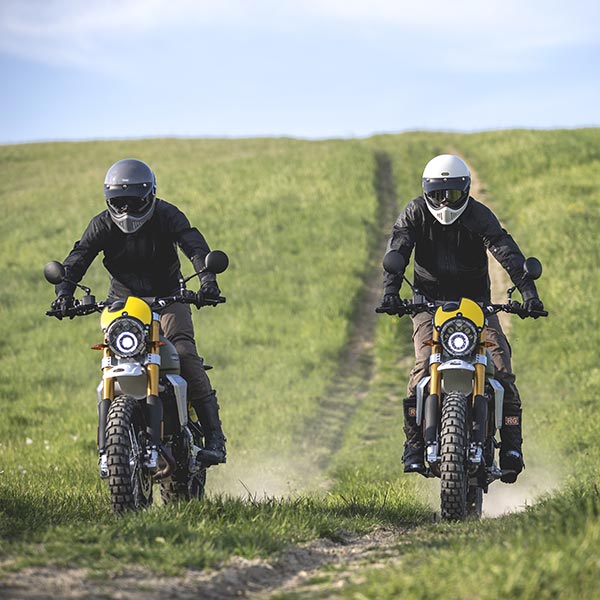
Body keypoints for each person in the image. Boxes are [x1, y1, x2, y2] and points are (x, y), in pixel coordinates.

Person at [51, 158, 227, 467]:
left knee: (184, 354)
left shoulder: (167, 215)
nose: (126, 210)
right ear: (108, 200)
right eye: (119, 202)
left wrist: (207, 280)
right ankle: (113, 445)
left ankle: (215, 438)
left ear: (150, 196)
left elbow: (194, 245)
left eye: (134, 202)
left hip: (168, 298)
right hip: (122, 303)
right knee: (113, 359)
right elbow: (79, 257)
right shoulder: (102, 224)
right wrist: (64, 293)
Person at [380, 154, 544, 484]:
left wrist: (529, 294)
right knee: (422, 367)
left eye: (452, 194)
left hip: (476, 305)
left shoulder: (479, 216)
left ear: (466, 191)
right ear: (426, 192)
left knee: (501, 367)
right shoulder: (415, 213)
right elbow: (398, 249)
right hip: (427, 304)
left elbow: (506, 251)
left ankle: (511, 449)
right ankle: (414, 445)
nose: (444, 202)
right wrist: (390, 293)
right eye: (437, 194)